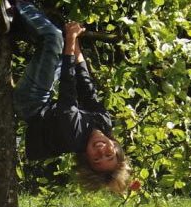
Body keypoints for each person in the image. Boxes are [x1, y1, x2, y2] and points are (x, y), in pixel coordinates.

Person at [8, 0, 130, 194]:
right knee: (61, 40)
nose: (101, 150)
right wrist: (76, 43)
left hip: (32, 103)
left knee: (54, 38)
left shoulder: (74, 137)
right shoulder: (105, 124)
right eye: (109, 155)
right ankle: (16, 24)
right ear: (116, 147)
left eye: (97, 158)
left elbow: (68, 89)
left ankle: (17, 4)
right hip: (47, 100)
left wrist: (71, 38)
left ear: (86, 156)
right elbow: (86, 87)